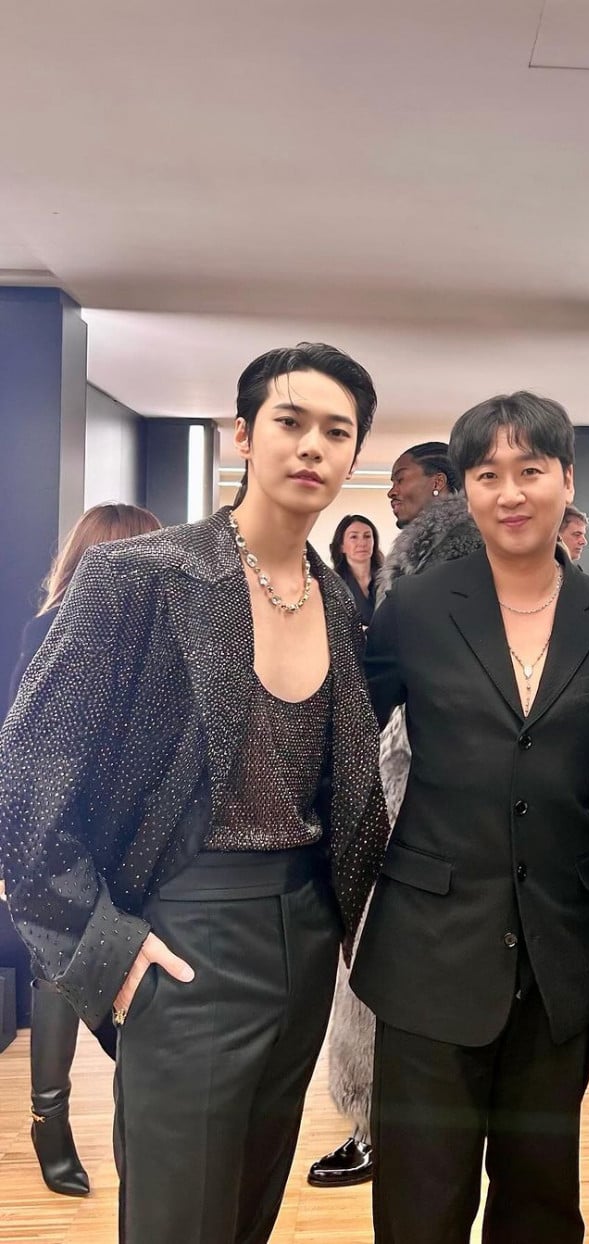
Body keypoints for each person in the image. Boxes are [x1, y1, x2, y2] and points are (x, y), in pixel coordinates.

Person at [0, 343, 389, 1244]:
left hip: (306, 930)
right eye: (290, 422)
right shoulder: (141, 577)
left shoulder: (336, 604)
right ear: (244, 435)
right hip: (186, 927)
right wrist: (104, 948)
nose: (312, 447)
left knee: (251, 1206)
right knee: (179, 1219)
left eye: (337, 432)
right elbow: (25, 780)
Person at [350, 392, 589, 1244]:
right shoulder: (416, 608)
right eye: (487, 474)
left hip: (561, 951)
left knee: (541, 1205)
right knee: (420, 1210)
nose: (510, 493)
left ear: (566, 480)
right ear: (463, 489)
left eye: (530, 470)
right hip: (429, 948)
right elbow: (343, 744)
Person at [309, 442, 482, 1190]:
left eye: (401, 478)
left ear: (439, 482)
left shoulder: (437, 558)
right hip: (407, 773)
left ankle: (378, 1123)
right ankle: (381, 1120)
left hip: (417, 781)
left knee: (382, 946)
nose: (390, 492)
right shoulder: (417, 559)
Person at [5, 503, 160, 1198]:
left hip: (134, 836)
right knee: (57, 970)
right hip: (63, 832)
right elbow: (28, 747)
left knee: (129, 976)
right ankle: (50, 1119)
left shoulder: (164, 635)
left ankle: (139, 1119)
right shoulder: (51, 631)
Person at [330, 514, 383, 627]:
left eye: (367, 536)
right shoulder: (332, 586)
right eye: (354, 537)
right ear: (341, 546)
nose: (362, 543)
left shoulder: (391, 578)